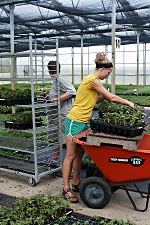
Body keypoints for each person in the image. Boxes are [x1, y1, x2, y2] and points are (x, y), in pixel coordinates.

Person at [62, 52, 135, 203]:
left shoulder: (92, 81)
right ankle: (66, 188)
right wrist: (127, 102)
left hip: (84, 122)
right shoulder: (94, 80)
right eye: (108, 73)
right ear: (102, 69)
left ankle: (76, 183)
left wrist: (101, 97)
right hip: (74, 121)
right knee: (70, 156)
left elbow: (90, 101)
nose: (108, 76)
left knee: (79, 155)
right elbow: (111, 97)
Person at [45, 61, 76, 164]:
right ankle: (54, 161)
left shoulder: (60, 79)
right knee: (57, 140)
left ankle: (69, 165)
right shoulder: (56, 80)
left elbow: (72, 92)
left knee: (68, 141)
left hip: (63, 115)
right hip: (55, 115)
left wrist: (57, 99)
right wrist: (47, 95)